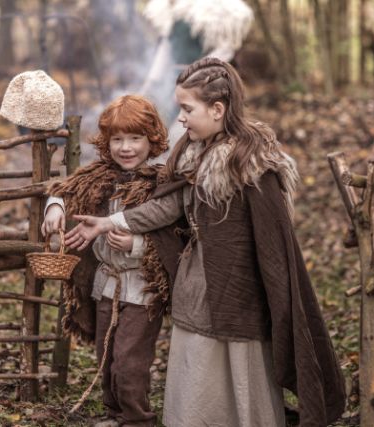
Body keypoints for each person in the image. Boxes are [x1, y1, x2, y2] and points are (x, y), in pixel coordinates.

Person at [64, 57, 346, 427]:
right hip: (198, 281)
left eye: (186, 109)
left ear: (217, 109)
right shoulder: (191, 154)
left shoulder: (252, 163)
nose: (180, 117)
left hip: (241, 285)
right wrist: (109, 223)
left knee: (239, 356)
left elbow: (271, 241)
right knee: (198, 358)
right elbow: (165, 207)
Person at [42, 95, 184, 427]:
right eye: (117, 139)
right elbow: (63, 189)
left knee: (130, 362)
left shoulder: (160, 184)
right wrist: (55, 208)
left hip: (142, 288)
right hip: (105, 284)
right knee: (106, 355)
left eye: (135, 138)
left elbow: (174, 238)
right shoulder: (99, 175)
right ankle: (115, 413)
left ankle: (137, 419)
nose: (126, 147)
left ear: (152, 140)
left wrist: (136, 245)